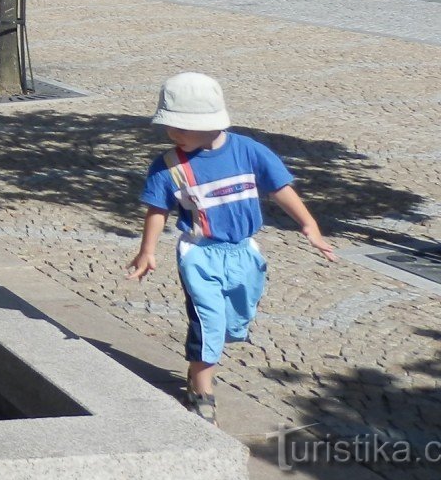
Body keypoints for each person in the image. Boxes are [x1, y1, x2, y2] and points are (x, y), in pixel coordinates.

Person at [124, 73, 336, 426]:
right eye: (169, 125)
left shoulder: (248, 151)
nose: (172, 133)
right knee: (208, 320)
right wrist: (148, 250)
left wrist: (308, 224)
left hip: (243, 252)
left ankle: (198, 367)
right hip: (199, 254)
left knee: (235, 321)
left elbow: (280, 187)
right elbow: (157, 210)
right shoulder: (168, 166)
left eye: (181, 127)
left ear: (210, 124)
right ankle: (202, 391)